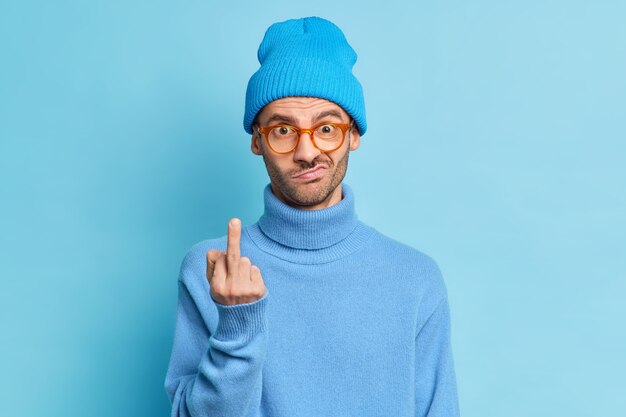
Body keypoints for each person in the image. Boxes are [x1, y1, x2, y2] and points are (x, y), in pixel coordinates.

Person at [164, 16, 460, 417]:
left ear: (353, 134)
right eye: (283, 130)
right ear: (257, 141)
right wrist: (237, 325)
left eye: (326, 128)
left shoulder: (415, 278)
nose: (306, 152)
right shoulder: (212, 270)